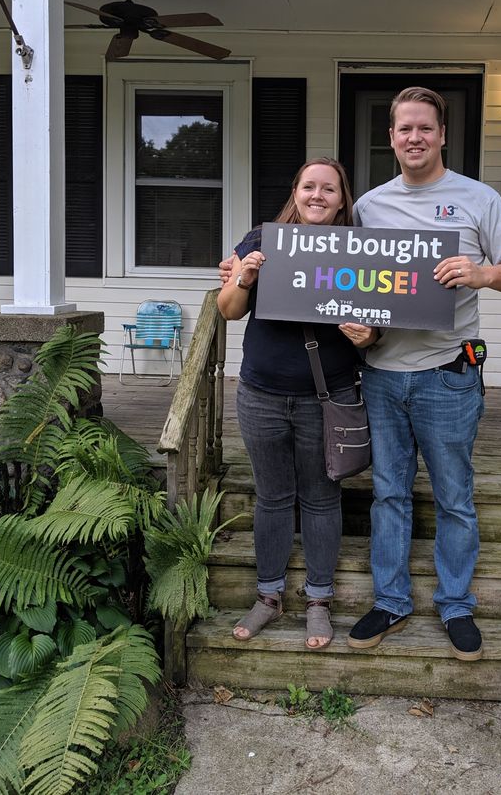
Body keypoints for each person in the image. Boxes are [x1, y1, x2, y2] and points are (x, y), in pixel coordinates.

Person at [345, 86, 501, 661]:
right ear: (391, 137)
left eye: (425, 128)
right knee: (388, 495)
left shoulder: (478, 199)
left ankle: (455, 605)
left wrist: (480, 275)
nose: (414, 138)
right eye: (404, 128)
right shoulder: (369, 206)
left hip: (448, 373)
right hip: (380, 372)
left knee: (455, 496)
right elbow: (342, 275)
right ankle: (390, 600)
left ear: (442, 135)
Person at [217, 157, 376, 650]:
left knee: (322, 498)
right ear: (296, 190)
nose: (318, 196)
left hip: (326, 397)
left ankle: (319, 601)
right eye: (310, 186)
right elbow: (227, 310)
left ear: (342, 199)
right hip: (261, 392)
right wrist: (243, 275)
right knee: (272, 497)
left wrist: (367, 335)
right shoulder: (263, 241)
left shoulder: (360, 251)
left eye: (329, 189)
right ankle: (268, 597)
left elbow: (376, 326)